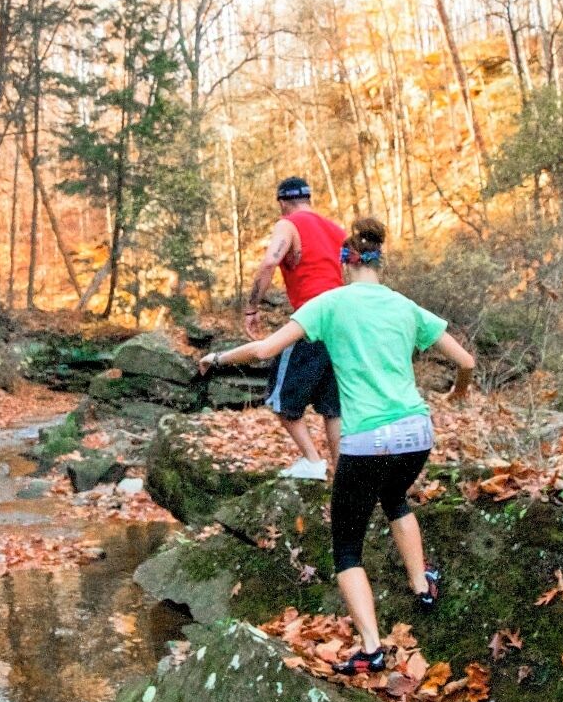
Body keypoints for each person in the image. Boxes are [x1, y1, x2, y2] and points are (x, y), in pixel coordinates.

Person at [200, 217, 476, 674]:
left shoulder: (328, 304)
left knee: (347, 547)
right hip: (417, 434)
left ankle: (371, 650)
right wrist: (459, 393)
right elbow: (465, 361)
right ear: (378, 263)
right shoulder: (406, 307)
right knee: (394, 496)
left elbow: (266, 350)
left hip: (368, 438)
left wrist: (217, 357)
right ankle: (422, 585)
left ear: (344, 263)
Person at [243, 176, 346, 482]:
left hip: (311, 320)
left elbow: (268, 263)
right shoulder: (336, 230)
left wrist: (252, 307)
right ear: (309, 198)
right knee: (333, 406)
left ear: (283, 202)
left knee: (280, 398)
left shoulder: (288, 225)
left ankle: (313, 462)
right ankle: (342, 476)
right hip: (340, 321)